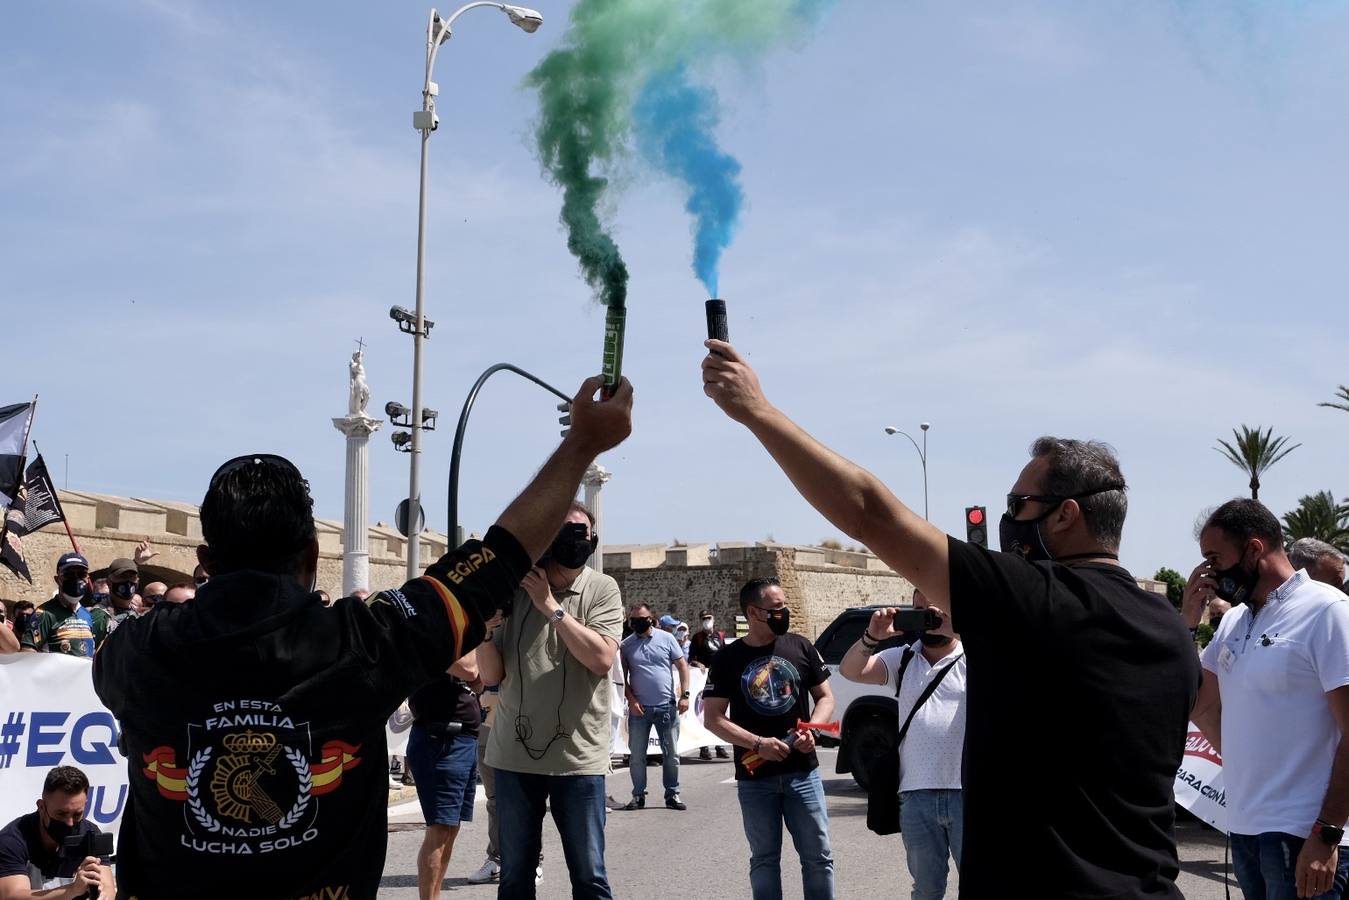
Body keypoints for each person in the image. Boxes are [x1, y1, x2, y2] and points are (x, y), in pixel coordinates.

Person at [90, 374, 633, 900]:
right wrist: (582, 443)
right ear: (310, 557)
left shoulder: (132, 652)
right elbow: (498, 557)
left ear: (205, 560)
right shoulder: (367, 641)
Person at [700, 340, 1198, 899]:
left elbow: (869, 512)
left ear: (1066, 514)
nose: (1008, 521)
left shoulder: (1036, 600)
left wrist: (757, 411)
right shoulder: (1172, 627)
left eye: (1017, 506)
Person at [1186, 500, 1349, 900]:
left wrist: (1327, 833)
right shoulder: (1233, 622)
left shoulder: (1327, 611)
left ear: (1254, 549)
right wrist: (1187, 624)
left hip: (1305, 836)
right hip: (1245, 830)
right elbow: (1195, 704)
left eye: (1214, 557)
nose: (1209, 572)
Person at [476, 502, 624, 900]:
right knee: (515, 877)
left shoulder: (601, 588)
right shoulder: (514, 587)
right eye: (565, 532)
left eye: (583, 533)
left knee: (589, 876)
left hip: (577, 759)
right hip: (513, 759)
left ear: (593, 541)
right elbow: (491, 677)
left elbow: (601, 659)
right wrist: (486, 632)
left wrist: (549, 605)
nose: (577, 541)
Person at [704, 577, 837, 900]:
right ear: (753, 612)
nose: (784, 613)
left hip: (803, 773)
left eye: (785, 607)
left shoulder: (801, 645)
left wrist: (811, 729)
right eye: (776, 608)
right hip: (755, 776)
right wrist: (758, 743)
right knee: (764, 860)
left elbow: (826, 698)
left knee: (818, 858)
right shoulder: (727, 658)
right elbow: (713, 718)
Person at [839, 590, 967, 900]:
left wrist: (961, 629)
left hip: (968, 794)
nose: (930, 617)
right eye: (921, 609)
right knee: (926, 889)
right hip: (916, 795)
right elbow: (850, 670)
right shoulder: (904, 657)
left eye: (937, 610)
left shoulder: (975, 655)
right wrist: (872, 636)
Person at [408, 650, 485, 900]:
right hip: (439, 738)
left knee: (450, 828)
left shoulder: (459, 634)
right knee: (440, 829)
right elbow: (470, 669)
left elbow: (482, 680)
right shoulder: (437, 629)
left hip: (462, 738)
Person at [0, 766, 116, 898]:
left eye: (77, 814)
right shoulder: (12, 840)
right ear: (41, 807)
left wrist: (102, 893)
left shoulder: (90, 834)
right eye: (61, 814)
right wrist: (71, 890)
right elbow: (12, 896)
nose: (70, 822)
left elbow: (108, 888)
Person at [619, 602, 690, 811]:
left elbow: (683, 666)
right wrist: (631, 700)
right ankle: (638, 795)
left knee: (672, 755)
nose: (637, 623)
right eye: (633, 620)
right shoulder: (626, 645)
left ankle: (672, 794)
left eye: (641, 619)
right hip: (639, 710)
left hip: (666, 707)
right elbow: (622, 678)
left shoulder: (667, 639)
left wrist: (685, 695)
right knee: (637, 757)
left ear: (651, 618)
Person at [20, 553, 103, 658]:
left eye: (81, 574)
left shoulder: (88, 615)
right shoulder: (44, 614)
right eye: (69, 574)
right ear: (57, 579)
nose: (76, 579)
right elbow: (27, 651)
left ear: (87, 579)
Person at [690, 609, 730, 760]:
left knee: (721, 713)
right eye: (704, 618)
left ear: (713, 618)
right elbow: (691, 658)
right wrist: (698, 663)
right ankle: (704, 748)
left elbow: (726, 655)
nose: (706, 620)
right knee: (701, 713)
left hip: (719, 677)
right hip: (702, 681)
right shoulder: (697, 638)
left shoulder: (720, 636)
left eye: (709, 618)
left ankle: (720, 745)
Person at [101, 557, 140, 633]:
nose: (128, 581)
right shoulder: (101, 616)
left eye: (132, 577)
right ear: (109, 582)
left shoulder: (138, 615)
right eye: (122, 577)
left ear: (138, 581)